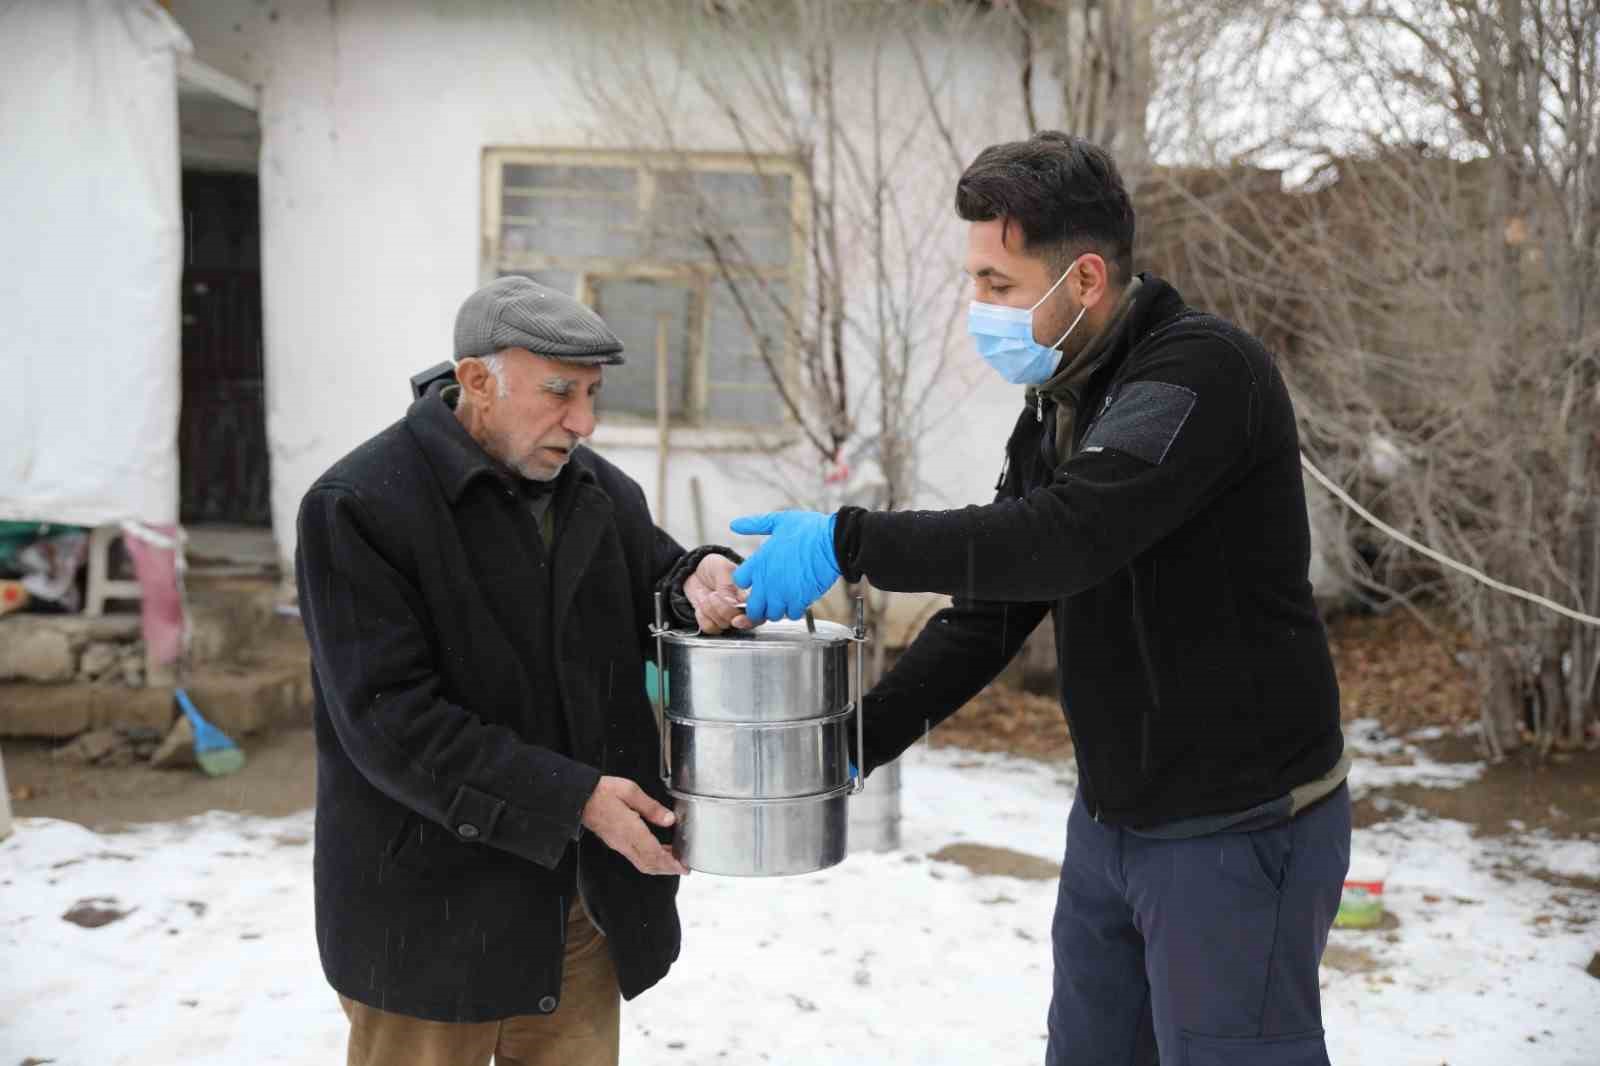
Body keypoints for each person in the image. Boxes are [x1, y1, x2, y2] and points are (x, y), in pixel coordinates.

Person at [724, 132, 1353, 1065]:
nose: (977, 307)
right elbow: (995, 605)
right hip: (1114, 819)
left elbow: (1062, 540)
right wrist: (851, 745)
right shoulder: (1063, 402)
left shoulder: (1199, 376)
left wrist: (847, 541)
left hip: (1236, 827)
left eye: (997, 285)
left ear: (1086, 280)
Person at [296, 277, 752, 1066]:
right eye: (557, 393)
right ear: (475, 380)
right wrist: (575, 798)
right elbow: (391, 724)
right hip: (429, 922)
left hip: (576, 914)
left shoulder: (600, 493)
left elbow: (656, 585)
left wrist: (698, 583)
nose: (582, 421)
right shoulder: (360, 507)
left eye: (592, 394)